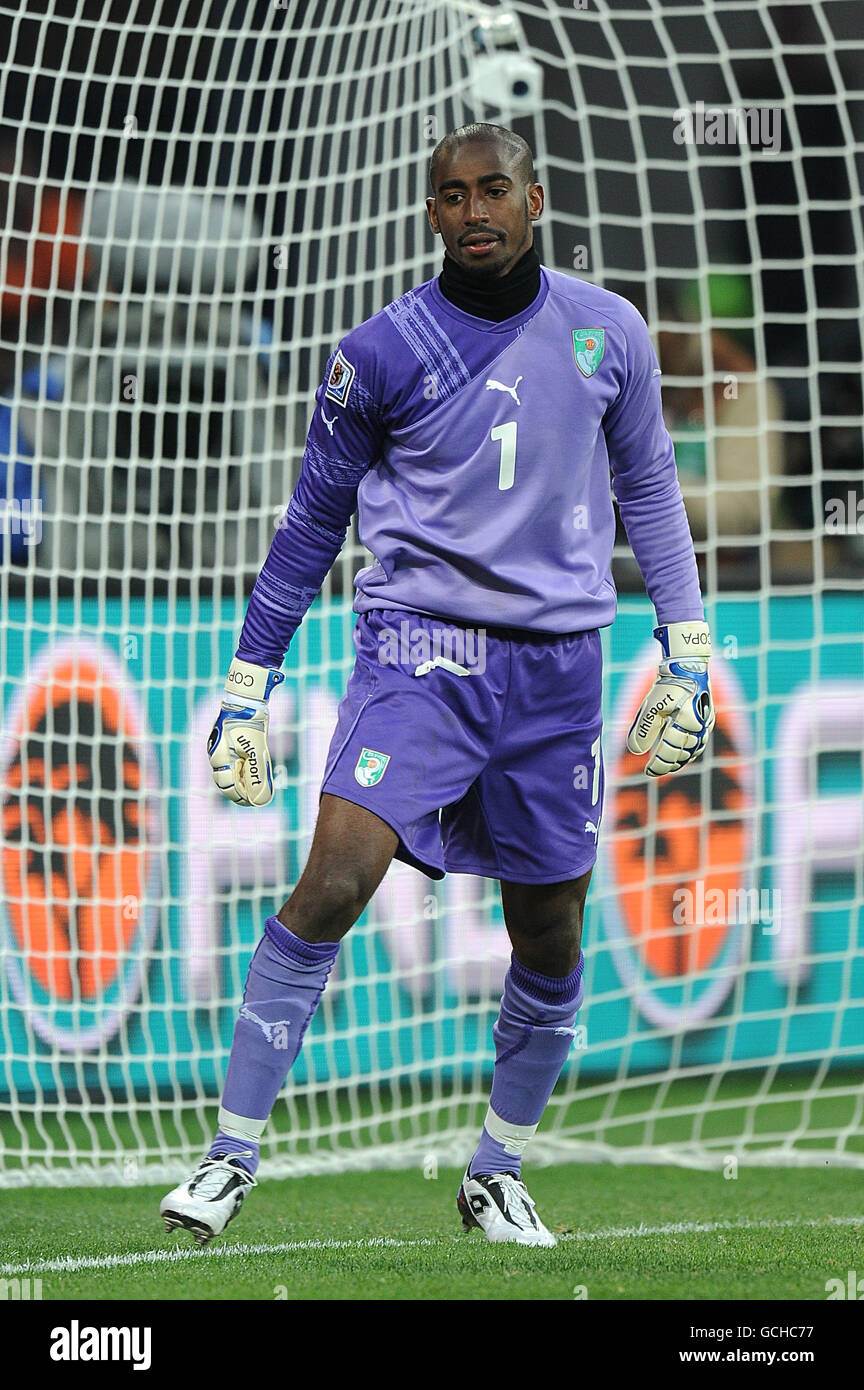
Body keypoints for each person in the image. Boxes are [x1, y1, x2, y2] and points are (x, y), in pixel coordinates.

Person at [160, 123, 715, 1248]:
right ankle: (228, 1155)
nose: (474, 212)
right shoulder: (381, 350)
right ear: (430, 213)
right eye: (453, 196)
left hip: (559, 670)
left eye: (494, 191)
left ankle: (497, 1172)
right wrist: (247, 679)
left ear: (536, 199)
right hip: (420, 652)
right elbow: (314, 521)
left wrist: (690, 647)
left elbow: (649, 487)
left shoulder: (610, 332)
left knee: (550, 929)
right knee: (334, 879)